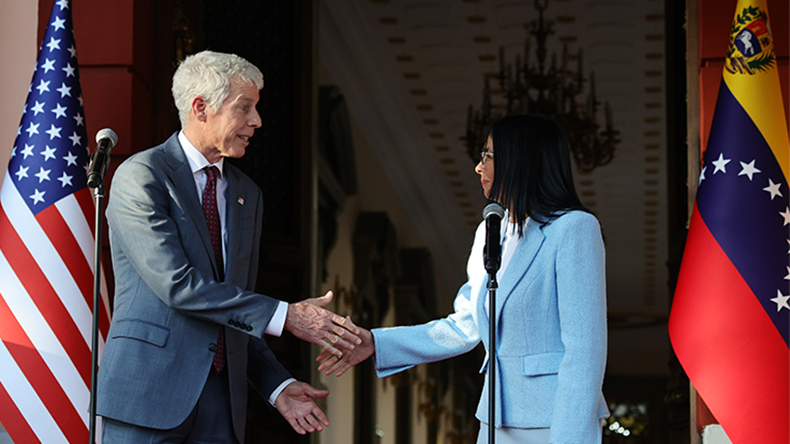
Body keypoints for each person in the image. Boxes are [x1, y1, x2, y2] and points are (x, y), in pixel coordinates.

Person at [96, 50, 361, 443]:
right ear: (200, 107)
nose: (257, 121)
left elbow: (235, 303)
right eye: (245, 108)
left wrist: (277, 386)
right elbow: (177, 285)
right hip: (146, 396)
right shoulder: (141, 176)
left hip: (222, 404)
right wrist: (285, 316)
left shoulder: (246, 193)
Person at [318, 114, 609, 444]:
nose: (478, 167)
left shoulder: (573, 229)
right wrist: (376, 343)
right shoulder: (490, 231)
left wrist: (570, 438)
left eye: (487, 155)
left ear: (519, 159)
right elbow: (465, 325)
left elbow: (585, 351)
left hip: (553, 422)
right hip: (494, 420)